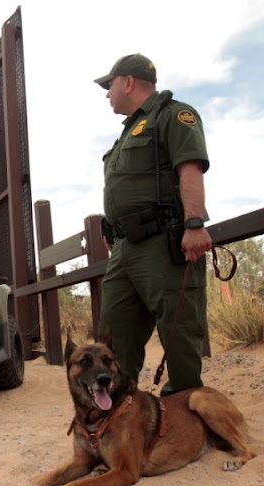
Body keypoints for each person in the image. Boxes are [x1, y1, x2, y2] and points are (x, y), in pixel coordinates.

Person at [93, 53, 212, 396]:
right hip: (125, 250)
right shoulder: (128, 133)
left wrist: (194, 223)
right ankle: (118, 410)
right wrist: (113, 228)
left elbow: (189, 167)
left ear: (128, 82)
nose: (107, 94)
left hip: (163, 242)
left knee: (178, 331)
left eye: (109, 85)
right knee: (113, 334)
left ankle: (184, 412)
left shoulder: (173, 115)